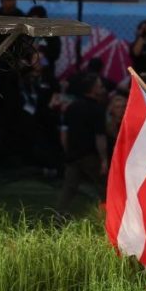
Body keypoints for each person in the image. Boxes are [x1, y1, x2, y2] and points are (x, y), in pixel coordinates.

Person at [58, 73, 108, 210]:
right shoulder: (97, 109)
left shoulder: (71, 107)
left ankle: (58, 216)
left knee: (69, 188)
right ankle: (107, 216)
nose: (103, 88)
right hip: (90, 156)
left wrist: (67, 151)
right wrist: (104, 159)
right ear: (93, 89)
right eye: (100, 86)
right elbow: (100, 137)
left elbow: (64, 133)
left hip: (73, 155)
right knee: (104, 187)